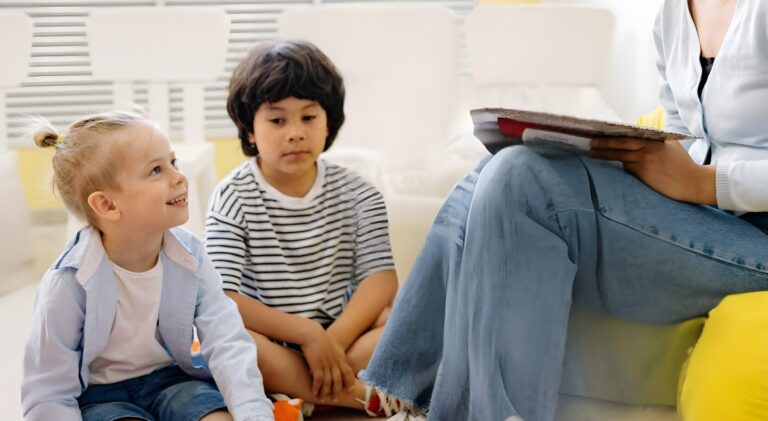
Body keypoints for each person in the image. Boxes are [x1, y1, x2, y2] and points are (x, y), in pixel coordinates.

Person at [361, 0, 768, 420]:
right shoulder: (673, 12)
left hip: (755, 240)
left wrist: (703, 183)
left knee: (521, 179)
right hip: (699, 218)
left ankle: (406, 385)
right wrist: (609, 153)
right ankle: (426, 397)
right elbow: (685, 133)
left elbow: (698, 174)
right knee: (504, 166)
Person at [21, 110, 274, 421]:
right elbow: (48, 391)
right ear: (107, 205)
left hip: (172, 381)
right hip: (98, 397)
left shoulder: (191, 255)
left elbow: (226, 339)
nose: (179, 177)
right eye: (156, 170)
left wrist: (253, 413)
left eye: (173, 163)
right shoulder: (68, 281)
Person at [205, 40, 404, 416]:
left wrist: (328, 342)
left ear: (328, 121)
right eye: (277, 120)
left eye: (308, 118)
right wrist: (306, 335)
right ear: (249, 130)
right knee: (228, 339)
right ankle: (364, 397)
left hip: (342, 340)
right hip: (272, 341)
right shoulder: (232, 196)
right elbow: (222, 296)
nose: (295, 132)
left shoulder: (360, 194)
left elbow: (381, 279)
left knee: (397, 319)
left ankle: (300, 392)